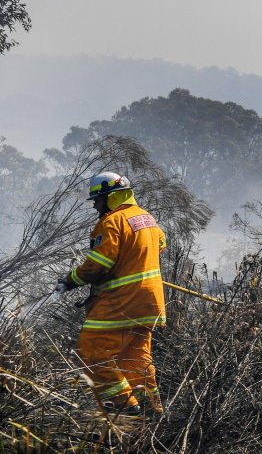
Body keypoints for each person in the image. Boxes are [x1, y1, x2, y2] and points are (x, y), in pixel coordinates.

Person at [59, 172, 167, 416]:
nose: (96, 205)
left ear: (112, 197)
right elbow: (160, 244)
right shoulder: (147, 218)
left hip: (121, 302)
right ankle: (151, 413)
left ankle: (126, 409)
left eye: (98, 200)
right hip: (150, 303)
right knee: (135, 359)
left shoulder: (111, 222)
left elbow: (98, 264)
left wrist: (69, 281)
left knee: (92, 351)